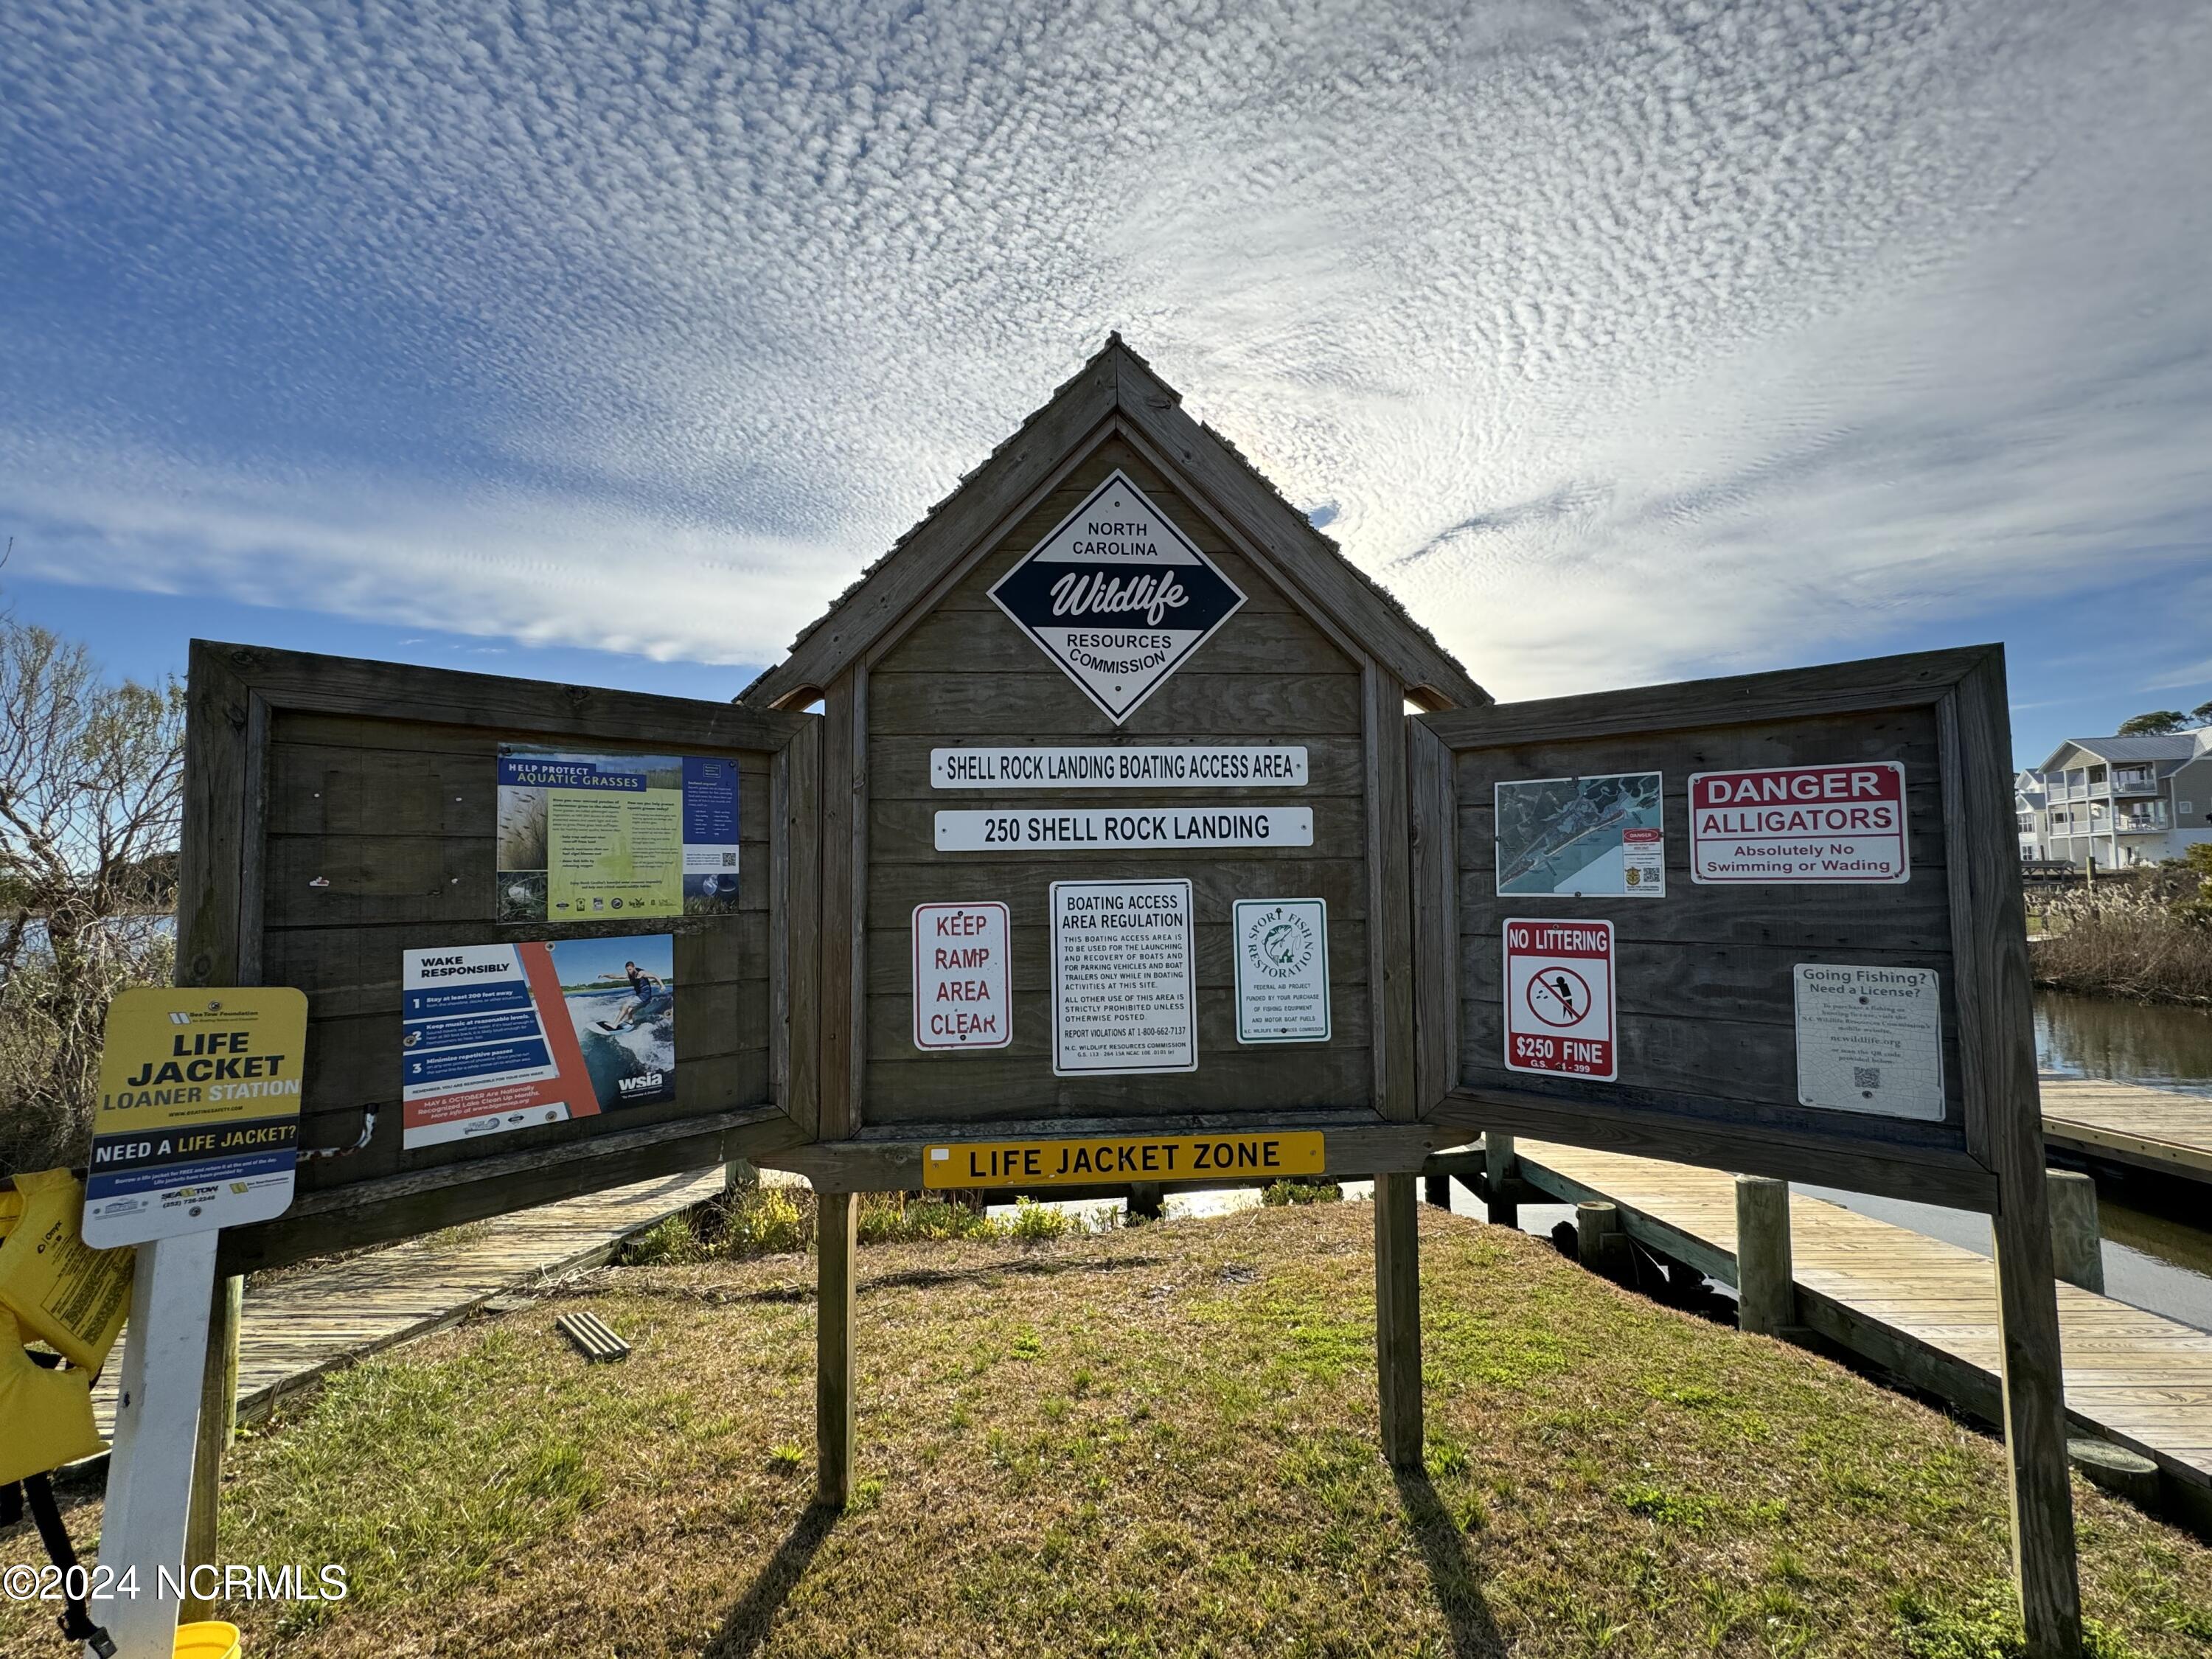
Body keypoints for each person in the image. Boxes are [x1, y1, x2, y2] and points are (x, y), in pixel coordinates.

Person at [597, 959, 668, 1032]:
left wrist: (662, 986)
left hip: (645, 996)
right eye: (627, 970)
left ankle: (615, 1024)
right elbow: (616, 977)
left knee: (626, 1005)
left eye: (630, 969)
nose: (629, 972)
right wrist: (605, 975)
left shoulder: (641, 973)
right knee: (630, 1009)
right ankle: (630, 1021)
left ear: (634, 968)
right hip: (641, 995)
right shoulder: (629, 975)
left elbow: (655, 976)